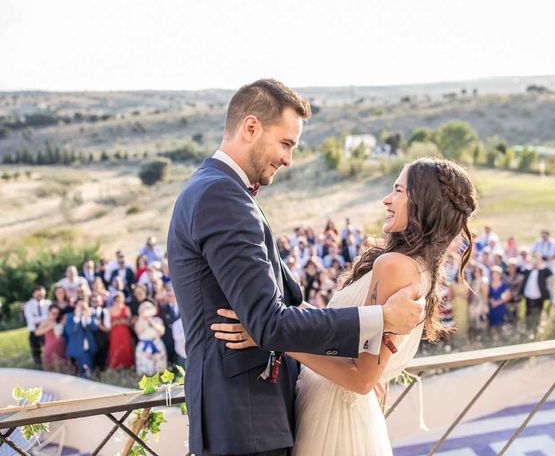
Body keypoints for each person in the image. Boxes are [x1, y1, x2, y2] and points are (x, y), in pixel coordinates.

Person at [167, 79, 425, 456]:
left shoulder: (220, 191)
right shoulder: (222, 196)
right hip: (245, 422)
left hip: (253, 419)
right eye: (286, 144)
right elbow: (270, 323)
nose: (288, 159)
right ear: (251, 127)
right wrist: (379, 318)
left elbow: (285, 304)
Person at [215, 157, 478, 455]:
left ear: (423, 203)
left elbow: (361, 378)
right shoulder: (417, 267)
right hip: (335, 409)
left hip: (335, 421)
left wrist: (273, 337)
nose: (387, 199)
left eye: (399, 191)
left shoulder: (394, 266)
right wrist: (273, 321)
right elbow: (344, 332)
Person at [64, 299, 98, 378]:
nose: (82, 308)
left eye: (84, 306)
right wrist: (77, 317)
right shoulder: (70, 316)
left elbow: (95, 328)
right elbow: (70, 331)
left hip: (89, 348)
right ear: (76, 307)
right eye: (80, 306)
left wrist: (88, 317)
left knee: (89, 370)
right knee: (77, 373)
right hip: (76, 349)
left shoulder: (91, 315)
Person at [520, 252, 553, 331]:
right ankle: (528, 328)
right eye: (534, 259)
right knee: (528, 311)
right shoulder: (528, 269)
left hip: (539, 296)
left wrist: (550, 296)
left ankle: (536, 328)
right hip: (528, 295)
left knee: (538, 312)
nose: (536, 261)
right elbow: (521, 271)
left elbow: (550, 282)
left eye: (538, 259)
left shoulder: (544, 270)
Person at [134, 301, 168, 376]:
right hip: (144, 347)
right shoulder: (139, 321)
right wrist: (142, 318)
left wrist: (151, 321)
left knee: (159, 369)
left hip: (156, 344)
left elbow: (161, 331)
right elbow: (139, 332)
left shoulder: (157, 320)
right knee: (145, 370)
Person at [24, 286, 51, 369]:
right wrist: (45, 318)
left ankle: (50, 368)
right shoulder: (28, 305)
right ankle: (39, 370)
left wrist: (40, 319)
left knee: (48, 352)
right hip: (33, 333)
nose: (40, 295)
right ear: (34, 294)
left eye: (42, 294)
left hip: (46, 332)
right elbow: (31, 320)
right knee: (36, 354)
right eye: (38, 294)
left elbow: (51, 317)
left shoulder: (48, 304)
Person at [35, 303, 67, 371]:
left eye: (57, 313)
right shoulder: (45, 322)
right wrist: (49, 327)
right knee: (49, 369)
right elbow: (37, 332)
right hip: (50, 348)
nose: (55, 315)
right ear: (49, 312)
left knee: (63, 367)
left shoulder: (60, 320)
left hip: (61, 347)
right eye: (53, 313)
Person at [108, 292, 134, 370]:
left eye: (120, 299)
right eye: (116, 299)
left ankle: (127, 367)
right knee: (115, 348)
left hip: (124, 332)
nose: (118, 301)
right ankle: (115, 367)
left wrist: (123, 321)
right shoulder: (110, 309)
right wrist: (115, 323)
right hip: (114, 333)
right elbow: (108, 325)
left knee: (126, 348)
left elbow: (130, 323)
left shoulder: (126, 308)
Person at [90, 293, 111, 372]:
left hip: (102, 340)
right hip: (91, 339)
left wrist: (99, 325)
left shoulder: (105, 312)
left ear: (101, 302)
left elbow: (108, 329)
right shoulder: (88, 311)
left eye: (97, 301)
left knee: (102, 359)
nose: (95, 303)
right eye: (93, 301)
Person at [467, 265, 489, 332]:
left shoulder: (484, 281)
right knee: (472, 321)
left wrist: (485, 306)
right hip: (473, 303)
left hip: (481, 303)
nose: (476, 273)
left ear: (481, 272)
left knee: (481, 321)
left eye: (478, 271)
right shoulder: (473, 281)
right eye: (475, 271)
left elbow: (485, 295)